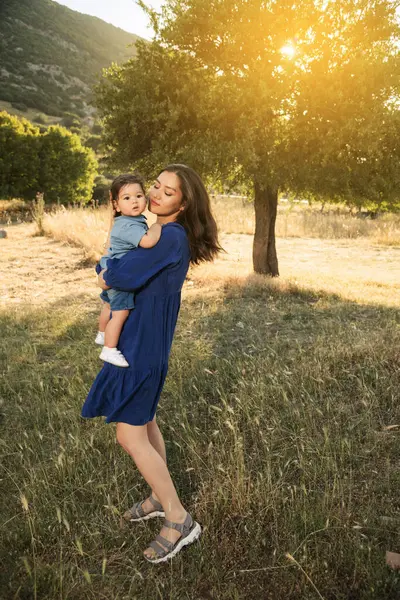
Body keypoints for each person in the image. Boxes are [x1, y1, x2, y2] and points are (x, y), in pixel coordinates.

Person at [82, 164, 221, 563]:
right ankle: (161, 498)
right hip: (141, 340)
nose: (156, 194)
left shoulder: (167, 238)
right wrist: (107, 271)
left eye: (168, 192)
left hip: (141, 346)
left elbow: (118, 275)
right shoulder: (160, 233)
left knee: (129, 436)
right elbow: (116, 271)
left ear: (184, 201)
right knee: (144, 422)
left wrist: (103, 271)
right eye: (155, 186)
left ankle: (179, 520)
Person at [96, 174, 162, 368]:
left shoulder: (126, 221)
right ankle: (109, 349)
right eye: (127, 198)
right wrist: (157, 226)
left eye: (139, 196)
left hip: (112, 268)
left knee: (108, 305)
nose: (134, 200)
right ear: (116, 205)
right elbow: (148, 241)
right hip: (119, 274)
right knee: (120, 313)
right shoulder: (128, 225)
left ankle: (102, 333)